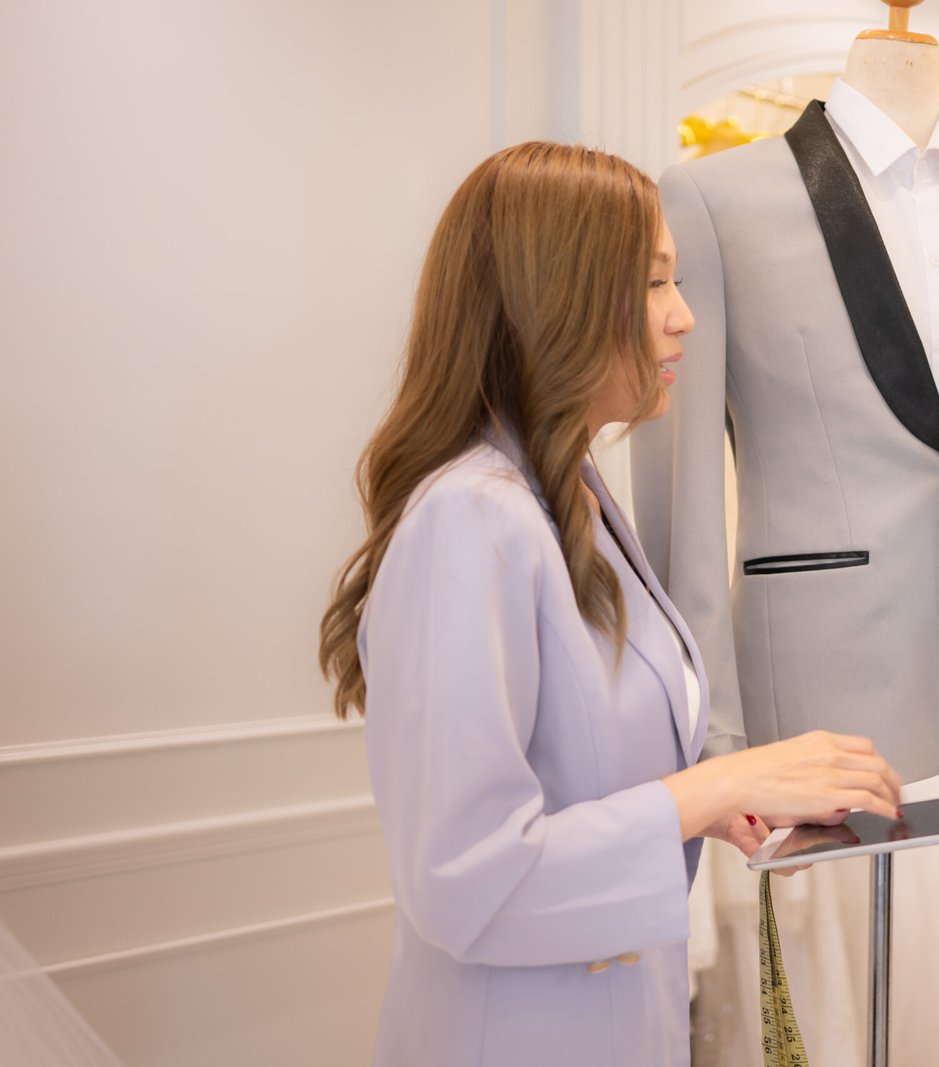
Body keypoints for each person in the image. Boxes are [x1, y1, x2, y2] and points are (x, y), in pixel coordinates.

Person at [315, 141, 902, 1067]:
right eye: (655, 282)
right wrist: (717, 786)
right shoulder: (473, 518)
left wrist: (714, 806)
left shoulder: (572, 492)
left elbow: (586, 767)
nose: (684, 316)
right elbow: (467, 880)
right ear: (559, 297)